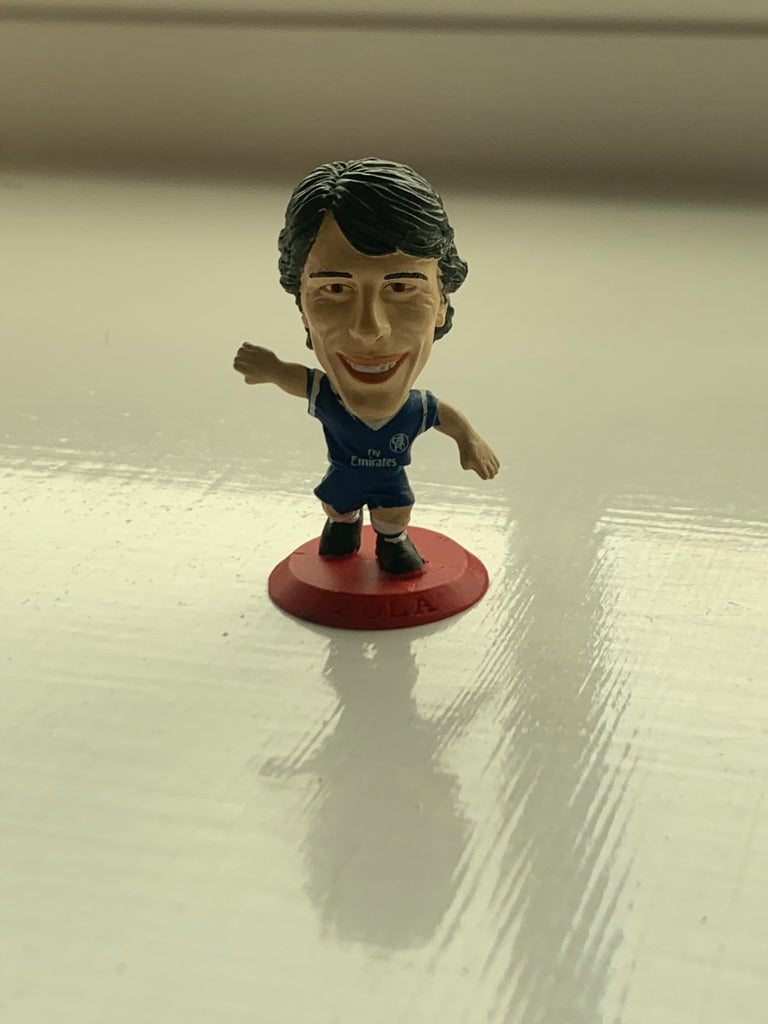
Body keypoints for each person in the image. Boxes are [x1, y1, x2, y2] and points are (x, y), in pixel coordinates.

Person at [233, 158, 499, 574]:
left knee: (394, 511)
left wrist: (470, 440)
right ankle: (344, 528)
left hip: (389, 481)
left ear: (441, 303)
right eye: (336, 288)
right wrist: (272, 368)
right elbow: (298, 380)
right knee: (337, 507)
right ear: (302, 307)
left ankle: (392, 542)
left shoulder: (414, 409)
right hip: (344, 478)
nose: (369, 329)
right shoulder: (330, 397)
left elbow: (443, 416)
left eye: (401, 287)